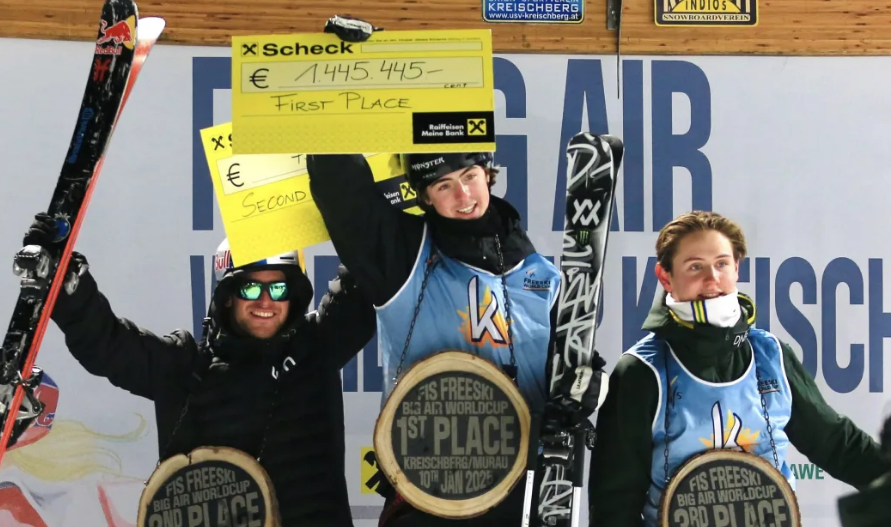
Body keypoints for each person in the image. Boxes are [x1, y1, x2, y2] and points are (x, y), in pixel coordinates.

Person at [306, 137, 613, 525]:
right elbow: (340, 187)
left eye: (470, 175)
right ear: (424, 196)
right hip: (429, 493)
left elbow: (576, 367)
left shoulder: (542, 278)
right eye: (443, 185)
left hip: (519, 493)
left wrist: (586, 388)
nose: (463, 194)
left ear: (488, 174)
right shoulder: (402, 258)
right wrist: (329, 114)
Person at [11, 212, 377, 527]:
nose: (266, 301)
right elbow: (110, 346)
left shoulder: (318, 344)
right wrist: (68, 287)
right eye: (251, 289)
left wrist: (376, 199)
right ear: (227, 296)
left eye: (279, 288)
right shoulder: (185, 365)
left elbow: (366, 276)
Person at [588, 210, 891, 527]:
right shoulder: (640, 373)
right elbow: (614, 506)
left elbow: (836, 444)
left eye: (721, 264)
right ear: (666, 277)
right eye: (695, 266)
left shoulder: (769, 355)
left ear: (736, 268)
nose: (711, 278)